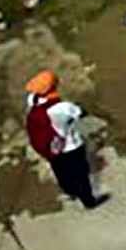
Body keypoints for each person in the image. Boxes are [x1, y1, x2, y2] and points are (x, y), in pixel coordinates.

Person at [22, 70, 104, 208]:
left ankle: (70, 191)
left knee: (61, 171)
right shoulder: (62, 108)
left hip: (52, 148)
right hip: (70, 146)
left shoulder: (33, 100)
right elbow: (80, 113)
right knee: (81, 174)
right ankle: (88, 201)